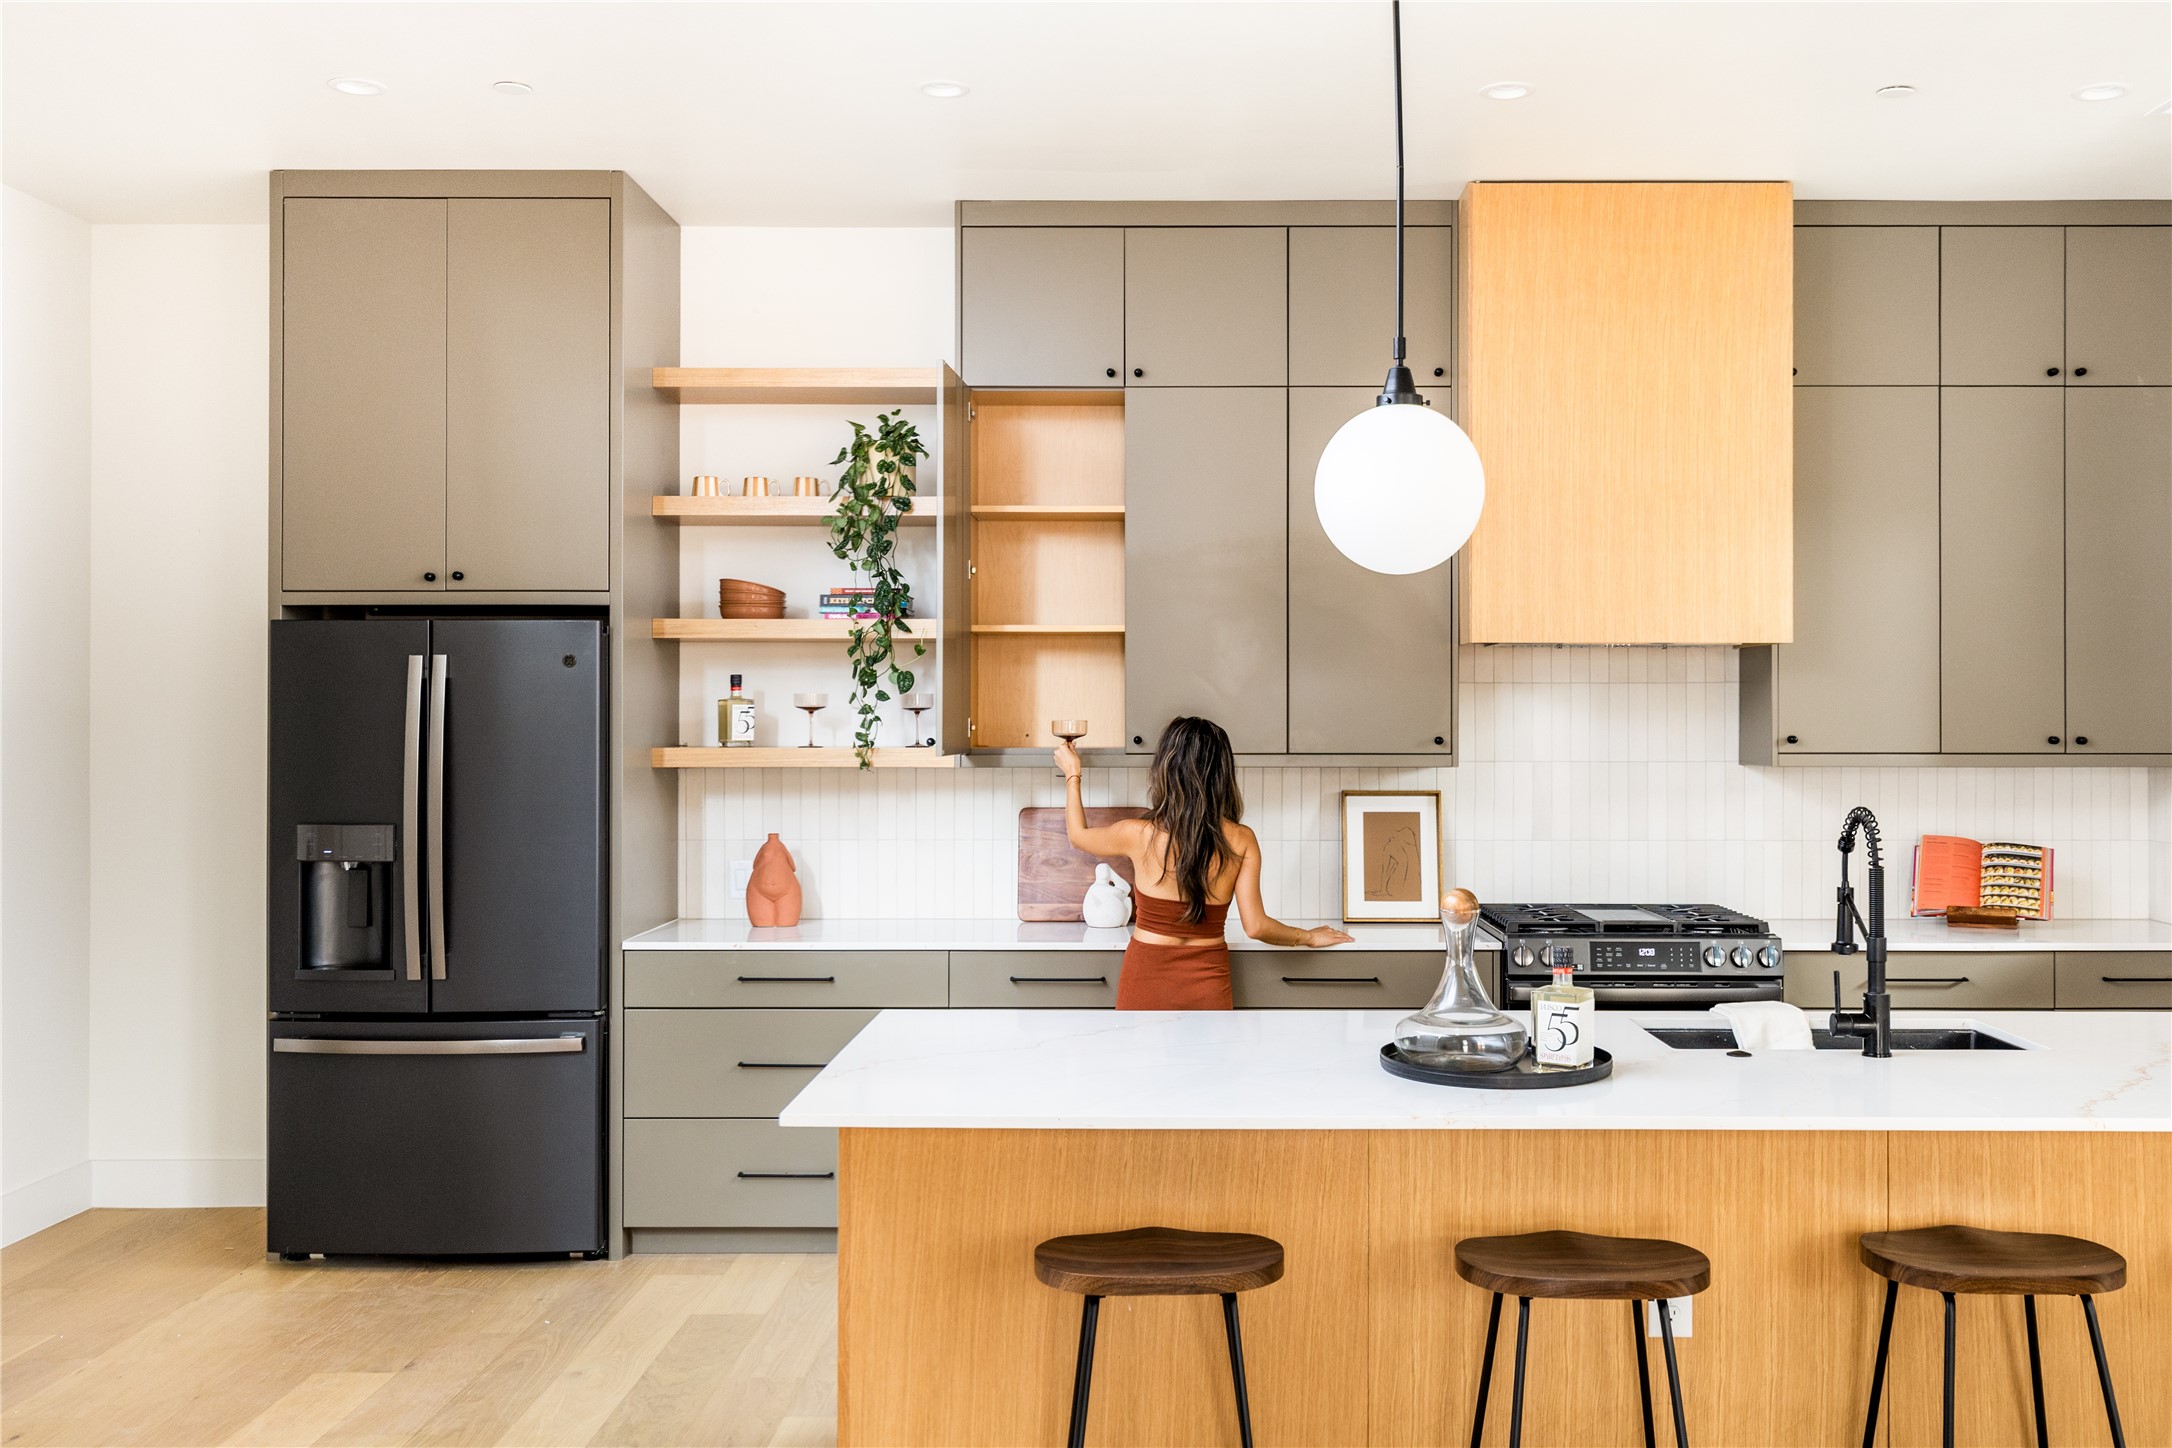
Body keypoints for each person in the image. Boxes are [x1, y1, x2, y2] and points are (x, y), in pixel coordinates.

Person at [1056, 716, 1353, 1010]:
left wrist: (1073, 773)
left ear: (1165, 769)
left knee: (1140, 1059)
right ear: (1222, 774)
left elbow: (1078, 836)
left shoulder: (1138, 833)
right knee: (1210, 1059)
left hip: (1145, 980)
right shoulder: (1241, 839)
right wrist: (1309, 937)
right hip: (1208, 984)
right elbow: (1257, 927)